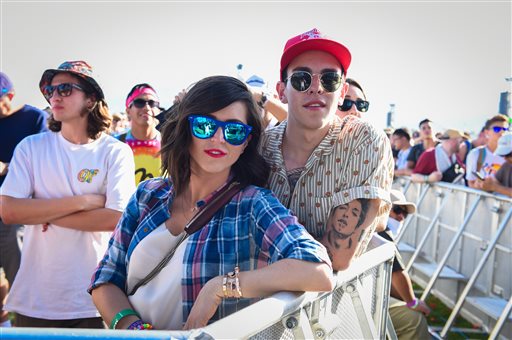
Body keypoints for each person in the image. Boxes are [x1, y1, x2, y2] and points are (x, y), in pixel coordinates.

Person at [89, 76, 333, 331]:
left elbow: (317, 270)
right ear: (186, 128)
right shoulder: (148, 195)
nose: (219, 138)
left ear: (246, 142)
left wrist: (220, 287)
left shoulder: (252, 205)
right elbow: (105, 277)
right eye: (205, 126)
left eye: (234, 130)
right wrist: (136, 330)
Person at [0, 61, 135, 328]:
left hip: (95, 297)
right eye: (51, 90)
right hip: (36, 298)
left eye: (65, 88)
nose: (55, 95)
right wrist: (84, 202)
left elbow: (115, 218)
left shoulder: (115, 151)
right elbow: (9, 212)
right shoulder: (31, 147)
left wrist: (40, 211)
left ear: (90, 99)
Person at [260, 28, 394, 271]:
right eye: (301, 78)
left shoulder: (363, 141)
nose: (317, 88)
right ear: (281, 92)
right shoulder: (261, 145)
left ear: (342, 91)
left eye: (329, 79)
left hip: (326, 303)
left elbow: (337, 257)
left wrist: (245, 278)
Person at [0, 71, 48, 327]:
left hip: (19, 207)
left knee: (15, 263)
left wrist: (6, 167)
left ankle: (25, 321)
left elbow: (42, 161)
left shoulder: (34, 118)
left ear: (9, 95)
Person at [377, 190, 431, 340]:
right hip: (358, 301)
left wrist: (406, 300)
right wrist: (412, 302)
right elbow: (397, 273)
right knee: (414, 319)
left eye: (404, 214)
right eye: (398, 210)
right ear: (384, 207)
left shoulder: (380, 230)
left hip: (363, 295)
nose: (401, 217)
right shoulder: (381, 231)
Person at [117, 83, 162, 185]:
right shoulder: (116, 144)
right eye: (139, 102)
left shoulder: (169, 144)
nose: (146, 107)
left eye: (152, 103)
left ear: (158, 109)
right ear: (128, 111)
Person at [465, 114, 509, 188]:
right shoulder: (476, 154)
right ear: (487, 132)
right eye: (497, 129)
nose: (502, 132)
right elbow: (471, 183)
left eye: (505, 129)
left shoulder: (509, 156)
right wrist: (480, 186)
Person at [475, 133, 512, 197]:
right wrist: (484, 184)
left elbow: (495, 186)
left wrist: (495, 187)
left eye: (509, 155)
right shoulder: (506, 165)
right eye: (503, 155)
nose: (505, 158)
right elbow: (495, 182)